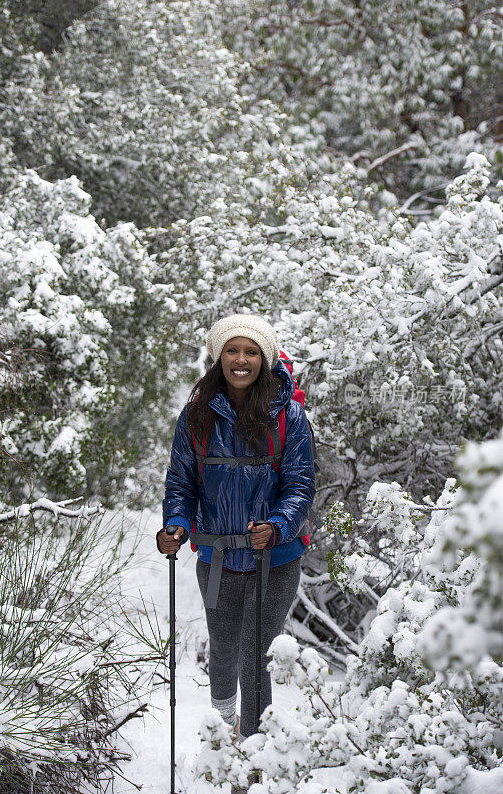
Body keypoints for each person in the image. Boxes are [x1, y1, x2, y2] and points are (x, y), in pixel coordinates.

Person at [157, 314, 316, 783]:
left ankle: (253, 760)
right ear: (219, 356)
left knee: (254, 652)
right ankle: (222, 736)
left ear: (263, 358)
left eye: (250, 352)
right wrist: (175, 526)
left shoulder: (288, 415)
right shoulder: (197, 415)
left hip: (275, 559)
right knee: (224, 654)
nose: (241, 360)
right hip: (218, 557)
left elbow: (300, 485)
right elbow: (180, 484)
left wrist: (280, 525)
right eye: (232, 351)